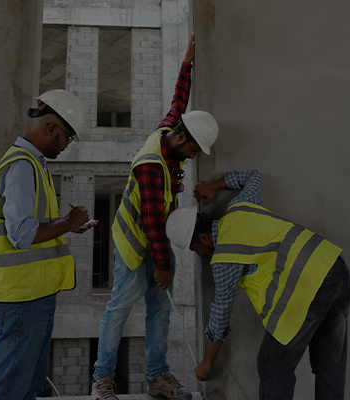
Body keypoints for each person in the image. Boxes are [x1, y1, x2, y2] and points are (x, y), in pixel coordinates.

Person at [91, 34, 219, 400]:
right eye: (193, 149)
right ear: (181, 139)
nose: (194, 157)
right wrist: (163, 266)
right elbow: (149, 222)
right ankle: (102, 379)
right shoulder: (150, 164)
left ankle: (157, 376)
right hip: (135, 246)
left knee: (160, 311)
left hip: (158, 242)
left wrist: (186, 64)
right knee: (118, 309)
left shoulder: (171, 130)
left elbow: (179, 101)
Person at [167, 169, 350, 400]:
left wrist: (207, 361)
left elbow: (220, 314)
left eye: (197, 250)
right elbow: (253, 177)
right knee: (330, 364)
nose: (201, 256)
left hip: (309, 288)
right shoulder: (240, 207)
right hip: (336, 267)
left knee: (272, 363)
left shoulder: (224, 256)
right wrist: (215, 185)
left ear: (204, 238)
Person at [0, 89, 94, 400]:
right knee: (8, 389)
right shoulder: (23, 165)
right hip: (20, 299)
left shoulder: (33, 164)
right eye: (67, 138)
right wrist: (67, 224)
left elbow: (29, 226)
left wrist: (66, 225)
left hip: (31, 295)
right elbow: (22, 235)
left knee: (25, 388)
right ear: (52, 128)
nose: (66, 146)